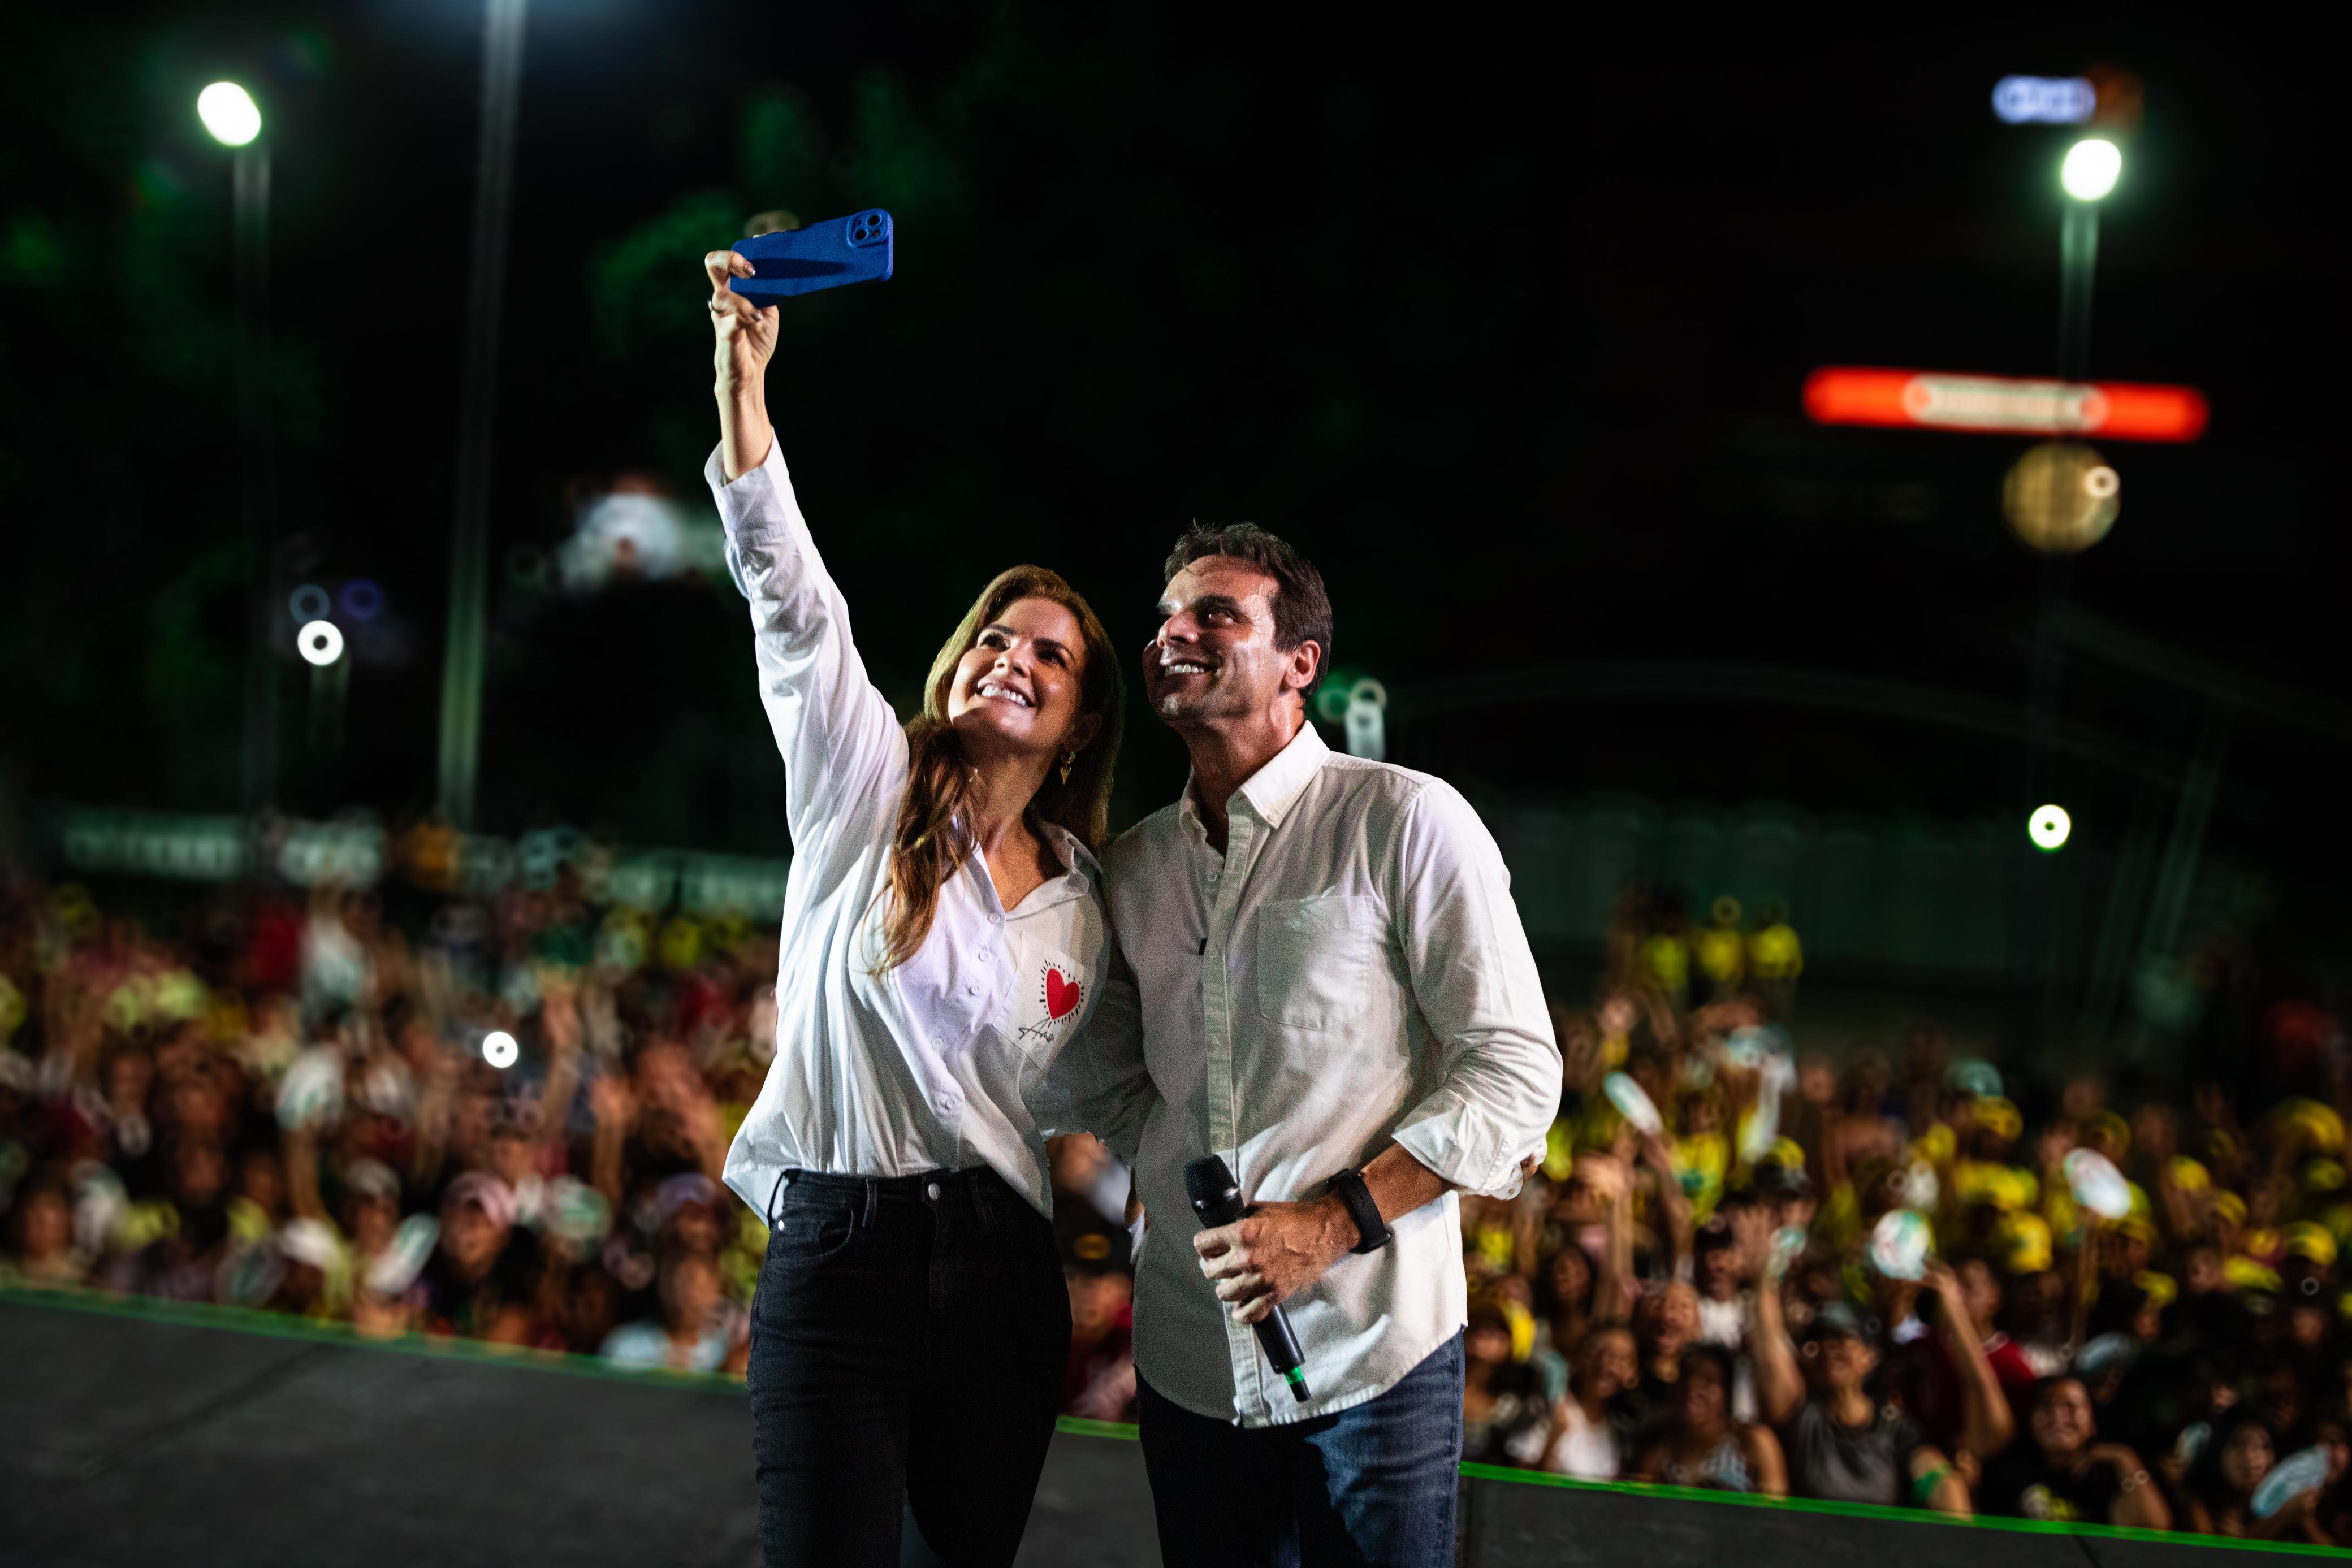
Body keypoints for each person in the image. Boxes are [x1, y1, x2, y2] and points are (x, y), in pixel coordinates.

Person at [701, 248, 1126, 1568]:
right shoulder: (866, 778)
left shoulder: (1086, 903)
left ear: (1077, 724)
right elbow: (789, 595)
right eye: (997, 634)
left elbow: (1116, 1098)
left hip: (1007, 1275)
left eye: (1047, 653)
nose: (1012, 657)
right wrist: (743, 379)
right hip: (843, 1247)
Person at [1041, 522, 1561, 1566]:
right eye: (1166, 618)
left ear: (1301, 663)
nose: (1172, 633)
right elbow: (1106, 1070)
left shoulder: (1405, 822)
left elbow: (1515, 1069)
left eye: (1215, 614)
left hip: (1379, 1358)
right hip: (1189, 1360)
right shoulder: (1134, 867)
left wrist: (1332, 1220)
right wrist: (1179, 1159)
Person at [1978, 1375, 2169, 1527]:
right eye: (2046, 1406)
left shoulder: (2108, 1474)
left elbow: (2151, 1527)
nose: (2057, 1416)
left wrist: (2125, 1458)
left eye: (2070, 1406)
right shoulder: (2010, 1468)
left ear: (2092, 1423)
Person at [1632, 1344, 1788, 1496]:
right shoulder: (1656, 1457)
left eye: (1708, 1382)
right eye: (1686, 1377)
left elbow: (1775, 1511)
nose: (1692, 1389)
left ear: (1727, 1395)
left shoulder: (1753, 1443)